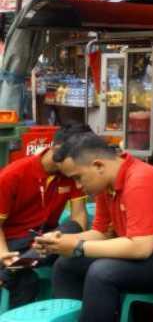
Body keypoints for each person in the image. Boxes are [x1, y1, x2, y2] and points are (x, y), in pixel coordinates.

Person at [41, 133, 153, 321]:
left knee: (102, 273)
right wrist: (63, 242)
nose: (78, 185)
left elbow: (141, 248)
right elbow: (101, 232)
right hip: (152, 251)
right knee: (66, 264)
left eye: (78, 177)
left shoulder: (141, 181)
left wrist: (78, 247)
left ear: (98, 165)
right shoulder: (105, 186)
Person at [0, 124, 90, 307]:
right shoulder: (13, 174)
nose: (81, 163)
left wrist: (68, 240)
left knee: (72, 232)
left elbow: (79, 216)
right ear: (57, 149)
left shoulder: (72, 175)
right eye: (77, 157)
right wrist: (3, 253)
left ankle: (10, 271)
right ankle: (13, 270)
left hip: (48, 237)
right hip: (12, 241)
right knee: (26, 281)